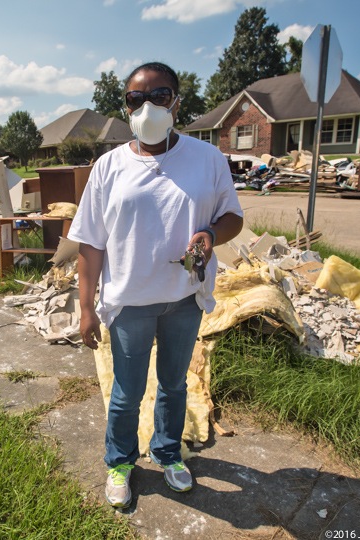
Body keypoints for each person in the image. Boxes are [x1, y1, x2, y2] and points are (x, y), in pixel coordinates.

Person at [66, 61, 244, 509]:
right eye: (135, 99)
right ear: (125, 107)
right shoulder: (109, 167)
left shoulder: (207, 159)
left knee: (173, 385)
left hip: (184, 298)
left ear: (177, 102)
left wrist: (211, 235)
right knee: (126, 394)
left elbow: (233, 216)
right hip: (130, 303)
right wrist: (86, 308)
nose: (147, 107)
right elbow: (90, 242)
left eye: (159, 96)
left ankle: (167, 453)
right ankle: (120, 462)